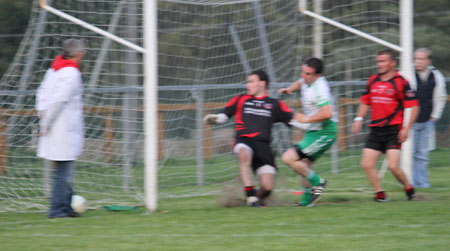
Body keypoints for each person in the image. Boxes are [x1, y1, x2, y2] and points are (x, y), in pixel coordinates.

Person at [204, 70, 296, 207]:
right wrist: (215, 119)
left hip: (264, 148)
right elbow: (224, 116)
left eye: (251, 81)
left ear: (262, 83)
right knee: (243, 155)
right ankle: (250, 196)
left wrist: (312, 123)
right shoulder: (240, 99)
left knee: (267, 188)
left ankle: (256, 199)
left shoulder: (274, 104)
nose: (247, 85)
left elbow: (294, 120)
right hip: (244, 141)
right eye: (247, 82)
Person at [352, 49, 418, 202]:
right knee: (366, 163)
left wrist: (406, 128)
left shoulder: (402, 82)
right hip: (376, 129)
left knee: (393, 167)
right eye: (378, 61)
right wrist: (358, 119)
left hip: (393, 130)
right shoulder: (373, 80)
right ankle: (380, 194)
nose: (379, 64)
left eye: (383, 61)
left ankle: (409, 188)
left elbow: (414, 106)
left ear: (392, 63)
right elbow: (365, 101)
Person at [36, 39, 85, 218]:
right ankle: (57, 210)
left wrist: (42, 112)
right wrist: (46, 122)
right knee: (63, 172)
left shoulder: (53, 69)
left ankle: (67, 206)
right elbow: (59, 100)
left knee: (63, 170)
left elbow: (41, 92)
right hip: (62, 129)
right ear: (79, 54)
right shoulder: (71, 72)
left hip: (55, 128)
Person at [279, 57, 337, 207]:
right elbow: (300, 82)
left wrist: (306, 119)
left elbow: (327, 113)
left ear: (318, 76)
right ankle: (306, 201)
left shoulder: (320, 89)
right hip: (315, 131)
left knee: (288, 158)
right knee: (303, 165)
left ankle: (319, 182)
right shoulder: (306, 79)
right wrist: (290, 89)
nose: (304, 77)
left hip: (325, 131)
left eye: (308, 74)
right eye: (303, 72)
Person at [412, 48, 447, 188]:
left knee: (422, 154)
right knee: (410, 153)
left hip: (427, 121)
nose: (418, 62)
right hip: (410, 122)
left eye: (421, 59)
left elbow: (441, 97)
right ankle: (410, 182)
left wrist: (434, 116)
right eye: (416, 59)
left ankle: (422, 182)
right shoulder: (407, 74)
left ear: (428, 61)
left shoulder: (436, 76)